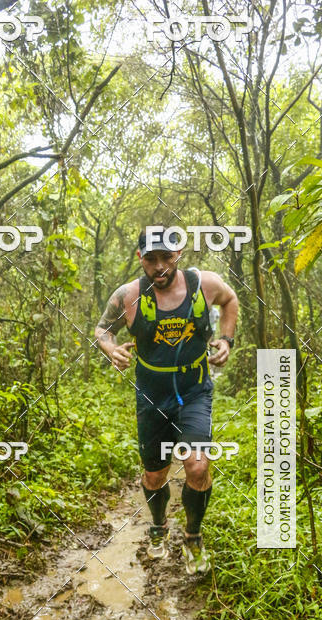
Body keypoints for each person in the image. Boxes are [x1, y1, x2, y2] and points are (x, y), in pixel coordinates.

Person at [95, 224, 239, 574]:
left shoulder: (202, 284)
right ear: (140, 258)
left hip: (194, 391)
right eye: (151, 259)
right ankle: (158, 525)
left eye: (166, 257)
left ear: (178, 255)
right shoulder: (128, 296)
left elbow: (230, 299)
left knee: (198, 465)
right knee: (154, 476)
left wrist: (226, 339)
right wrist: (112, 350)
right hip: (152, 396)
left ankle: (192, 537)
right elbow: (102, 330)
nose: (159, 266)